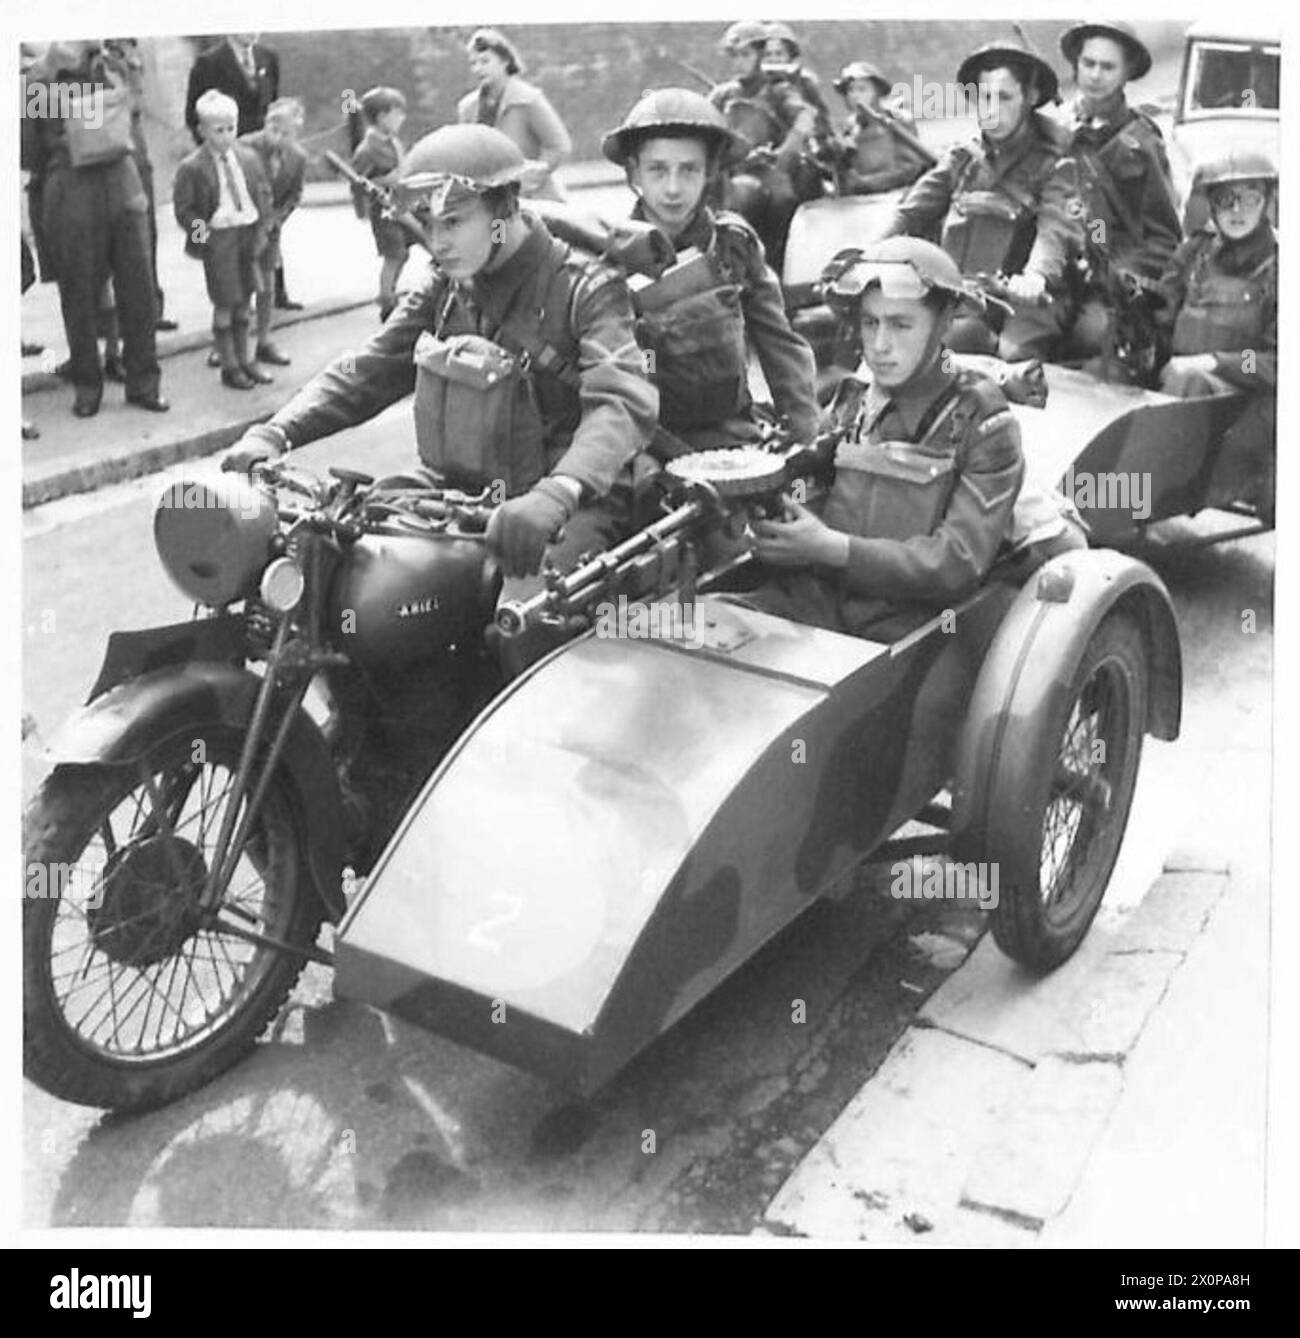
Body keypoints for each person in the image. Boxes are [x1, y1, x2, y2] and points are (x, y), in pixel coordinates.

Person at [222, 125, 657, 670]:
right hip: (458, 487)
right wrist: (276, 430)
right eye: (428, 224)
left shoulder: (586, 286)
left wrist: (559, 491)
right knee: (331, 570)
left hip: (567, 500)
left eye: (454, 222)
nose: (438, 240)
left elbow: (622, 401)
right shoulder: (448, 284)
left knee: (527, 626)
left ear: (506, 209)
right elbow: (371, 367)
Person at [745, 238, 1082, 640]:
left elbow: (955, 564)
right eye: (870, 323)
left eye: (901, 325)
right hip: (830, 599)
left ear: (942, 325)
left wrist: (831, 548)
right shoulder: (855, 401)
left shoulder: (984, 425)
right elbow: (812, 481)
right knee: (695, 631)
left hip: (923, 622)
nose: (880, 345)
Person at [601, 88, 821, 457]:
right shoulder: (610, 255)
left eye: (689, 169)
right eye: (657, 169)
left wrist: (807, 439)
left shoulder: (734, 245)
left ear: (710, 172)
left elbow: (780, 347)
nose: (673, 188)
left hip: (733, 439)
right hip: (644, 447)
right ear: (634, 171)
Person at [881, 37, 1083, 360]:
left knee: (1013, 355)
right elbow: (910, 211)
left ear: (1029, 98)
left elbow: (1055, 230)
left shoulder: (1056, 163)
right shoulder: (962, 158)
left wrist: (1036, 277)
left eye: (1004, 97)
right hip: (962, 296)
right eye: (985, 97)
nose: (992, 110)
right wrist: (869, 253)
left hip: (1026, 303)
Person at [20, 40, 166, 417]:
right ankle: (89, 384)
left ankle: (142, 383)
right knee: (79, 291)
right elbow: (27, 151)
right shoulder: (39, 81)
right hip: (72, 186)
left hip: (121, 182)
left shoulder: (113, 65)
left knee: (139, 289)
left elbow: (137, 118)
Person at [1157, 153, 1276, 524]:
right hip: (1182, 390)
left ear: (1268, 201)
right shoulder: (1194, 252)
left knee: (1185, 377)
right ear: (1211, 205)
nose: (1237, 210)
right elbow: (1161, 313)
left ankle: (1149, 490)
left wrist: (1215, 363)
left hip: (1246, 404)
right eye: (1226, 199)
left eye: (1250, 197)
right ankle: (1098, 486)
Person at [1055, 21, 1181, 370]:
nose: (1095, 75)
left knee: (1089, 335)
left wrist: (1120, 273)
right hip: (1054, 276)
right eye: (1088, 63)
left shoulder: (1140, 143)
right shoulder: (1054, 132)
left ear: (1126, 74)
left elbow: (1165, 238)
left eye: (1108, 67)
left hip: (1111, 289)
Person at [185, 33, 299, 310]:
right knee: (230, 238)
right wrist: (218, 154)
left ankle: (271, 295)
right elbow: (193, 116)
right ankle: (233, 302)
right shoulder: (208, 63)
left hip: (260, 157)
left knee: (267, 225)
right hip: (230, 158)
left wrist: (277, 141)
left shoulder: (267, 57)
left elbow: (275, 106)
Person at [174, 90, 274, 390]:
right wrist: (205, 240)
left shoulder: (248, 158)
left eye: (231, 128)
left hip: (248, 234)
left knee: (246, 300)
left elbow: (263, 193)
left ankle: (246, 360)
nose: (226, 136)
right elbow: (184, 211)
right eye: (218, 130)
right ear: (202, 130)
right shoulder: (192, 167)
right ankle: (229, 365)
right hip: (220, 240)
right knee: (225, 303)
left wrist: (263, 229)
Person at [709, 19, 821, 275]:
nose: (739, 62)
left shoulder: (779, 91)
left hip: (770, 173)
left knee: (783, 201)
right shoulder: (723, 95)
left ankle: (774, 271)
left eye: (746, 54)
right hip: (732, 173)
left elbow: (805, 117)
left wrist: (785, 152)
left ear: (760, 55)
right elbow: (703, 124)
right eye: (734, 56)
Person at [457, 28, 572, 202]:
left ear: (505, 61)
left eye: (485, 61)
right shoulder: (467, 108)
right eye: (474, 63)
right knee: (497, 230)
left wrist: (527, 180)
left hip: (537, 204)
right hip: (491, 205)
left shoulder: (529, 99)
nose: (478, 68)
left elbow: (559, 146)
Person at [239, 97, 307, 364]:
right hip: (243, 229)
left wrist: (277, 219)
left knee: (266, 286)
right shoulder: (244, 148)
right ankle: (230, 345)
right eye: (273, 129)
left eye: (286, 133)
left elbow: (294, 195)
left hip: (271, 231)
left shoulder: (298, 157)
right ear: (265, 124)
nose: (278, 137)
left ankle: (264, 341)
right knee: (239, 288)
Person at [350, 87, 410, 322]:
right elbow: (358, 181)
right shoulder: (368, 149)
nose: (402, 119)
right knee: (394, 255)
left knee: (402, 254)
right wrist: (387, 180)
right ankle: (386, 301)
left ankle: (391, 294)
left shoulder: (393, 143)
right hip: (383, 211)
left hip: (402, 207)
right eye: (397, 114)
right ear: (382, 116)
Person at [832, 61, 929, 196]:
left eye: (862, 89)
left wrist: (868, 183)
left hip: (898, 195)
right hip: (860, 201)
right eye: (850, 90)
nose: (855, 96)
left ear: (877, 92)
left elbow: (910, 169)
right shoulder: (847, 128)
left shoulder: (897, 120)